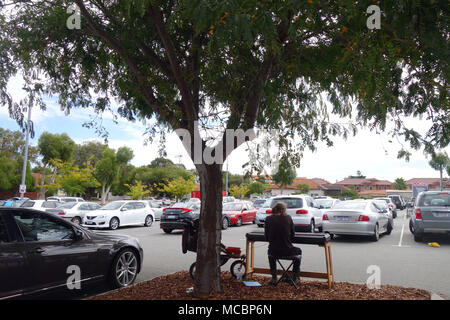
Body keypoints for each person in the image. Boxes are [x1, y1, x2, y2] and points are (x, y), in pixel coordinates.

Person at [264, 202, 302, 286]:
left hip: (273, 252)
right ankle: (295, 277)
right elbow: (292, 235)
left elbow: (266, 237)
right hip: (287, 251)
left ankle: (274, 277)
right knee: (299, 251)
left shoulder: (268, 219)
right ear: (283, 210)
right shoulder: (288, 218)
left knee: (270, 252)